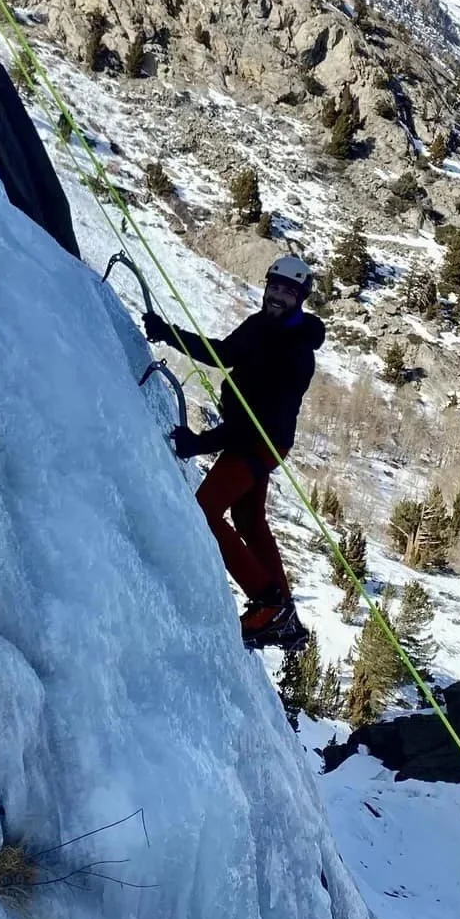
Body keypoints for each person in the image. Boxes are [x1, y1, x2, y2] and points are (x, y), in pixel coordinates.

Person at [144, 254, 323, 651]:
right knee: (247, 516)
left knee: (204, 511)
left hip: (259, 440)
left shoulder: (295, 355)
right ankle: (284, 610)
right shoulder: (261, 326)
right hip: (256, 438)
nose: (276, 296)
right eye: (273, 287)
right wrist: (167, 332)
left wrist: (199, 444)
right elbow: (223, 354)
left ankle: (268, 602)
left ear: (301, 299)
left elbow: (253, 422)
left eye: (287, 292)